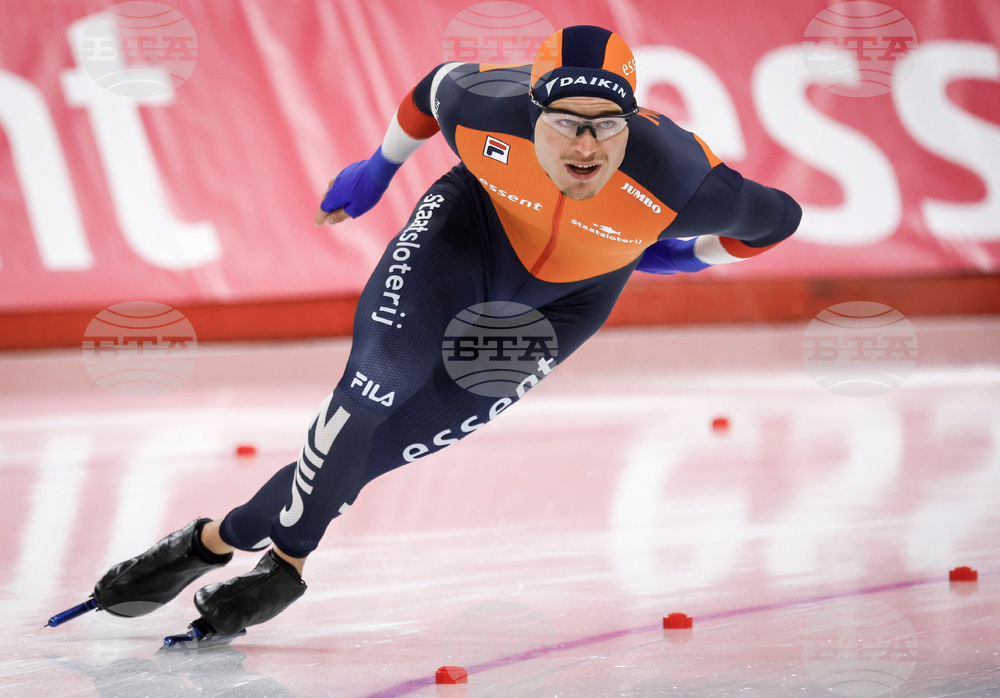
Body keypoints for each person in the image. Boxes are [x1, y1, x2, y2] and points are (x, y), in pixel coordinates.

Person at [71, 25, 802, 641]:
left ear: (632, 121)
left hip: (561, 306)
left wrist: (690, 256)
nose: (586, 147)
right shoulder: (484, 109)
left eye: (607, 124)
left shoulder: (683, 179)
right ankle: (286, 564)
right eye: (565, 122)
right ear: (531, 111)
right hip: (463, 239)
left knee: (379, 449)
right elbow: (431, 89)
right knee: (372, 389)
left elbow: (780, 220)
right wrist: (378, 168)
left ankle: (212, 541)